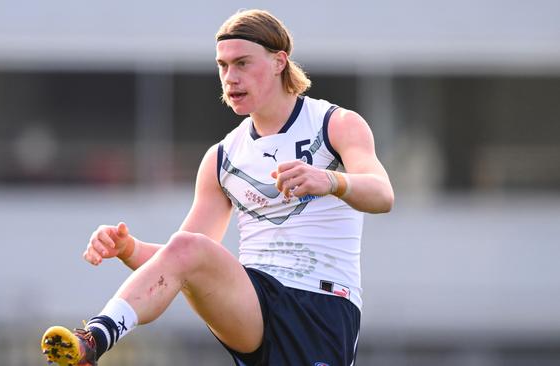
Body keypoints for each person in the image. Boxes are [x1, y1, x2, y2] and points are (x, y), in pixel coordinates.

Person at [41, 9, 393, 366]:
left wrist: (331, 180)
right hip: (251, 303)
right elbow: (180, 263)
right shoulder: (222, 156)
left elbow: (382, 194)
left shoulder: (336, 124)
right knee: (187, 246)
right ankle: (93, 340)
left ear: (279, 62)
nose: (230, 78)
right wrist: (128, 248)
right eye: (223, 66)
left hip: (322, 306)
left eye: (242, 63)